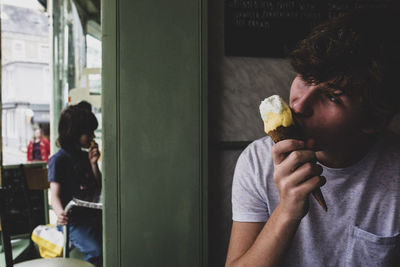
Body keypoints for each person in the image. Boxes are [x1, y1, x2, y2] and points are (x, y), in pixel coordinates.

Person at [226, 9, 400, 267]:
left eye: (332, 96)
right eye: (306, 79)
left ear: (373, 121)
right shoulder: (257, 162)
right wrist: (287, 210)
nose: (300, 105)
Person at [48, 102, 102, 267]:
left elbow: (98, 187)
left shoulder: (85, 157)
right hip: (72, 220)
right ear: (75, 133)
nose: (92, 136)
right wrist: (59, 213)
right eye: (89, 132)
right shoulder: (59, 160)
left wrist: (94, 164)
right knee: (97, 251)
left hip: (90, 215)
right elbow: (54, 195)